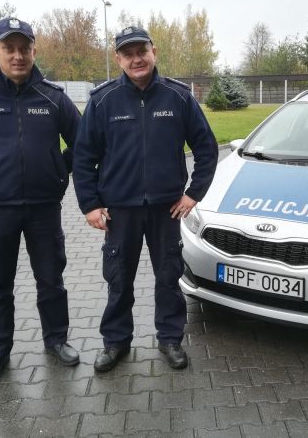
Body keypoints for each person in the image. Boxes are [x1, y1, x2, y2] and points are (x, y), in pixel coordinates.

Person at [73, 26, 218, 372]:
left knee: (168, 278)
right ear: (118, 59)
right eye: (128, 53)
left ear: (154, 51)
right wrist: (90, 205)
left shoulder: (178, 97)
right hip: (119, 212)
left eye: (142, 51)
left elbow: (207, 148)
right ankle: (116, 342)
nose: (136, 59)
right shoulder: (103, 100)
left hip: (165, 211)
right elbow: (82, 156)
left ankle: (170, 339)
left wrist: (193, 194)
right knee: (118, 279)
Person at [0, 17, 81, 387]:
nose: (18, 55)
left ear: (34, 51)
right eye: (10, 48)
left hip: (43, 208)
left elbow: (84, 142)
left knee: (51, 281)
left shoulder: (53, 97)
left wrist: (59, 167)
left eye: (25, 48)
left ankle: (56, 340)